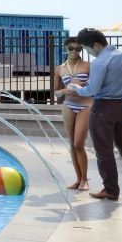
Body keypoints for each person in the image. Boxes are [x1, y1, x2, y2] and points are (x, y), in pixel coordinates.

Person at [63, 28, 122, 201]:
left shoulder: (100, 61)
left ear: (96, 45)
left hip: (103, 108)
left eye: (87, 49)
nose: (87, 53)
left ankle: (110, 190)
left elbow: (92, 90)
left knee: (104, 152)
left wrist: (75, 87)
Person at [51, 36, 92, 190]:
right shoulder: (59, 68)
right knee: (71, 144)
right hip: (68, 105)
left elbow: (95, 85)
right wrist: (64, 91)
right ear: (65, 49)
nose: (74, 51)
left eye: (78, 49)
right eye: (71, 48)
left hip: (86, 105)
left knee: (78, 143)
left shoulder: (88, 66)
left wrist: (82, 87)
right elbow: (55, 92)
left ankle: (85, 179)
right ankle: (78, 179)